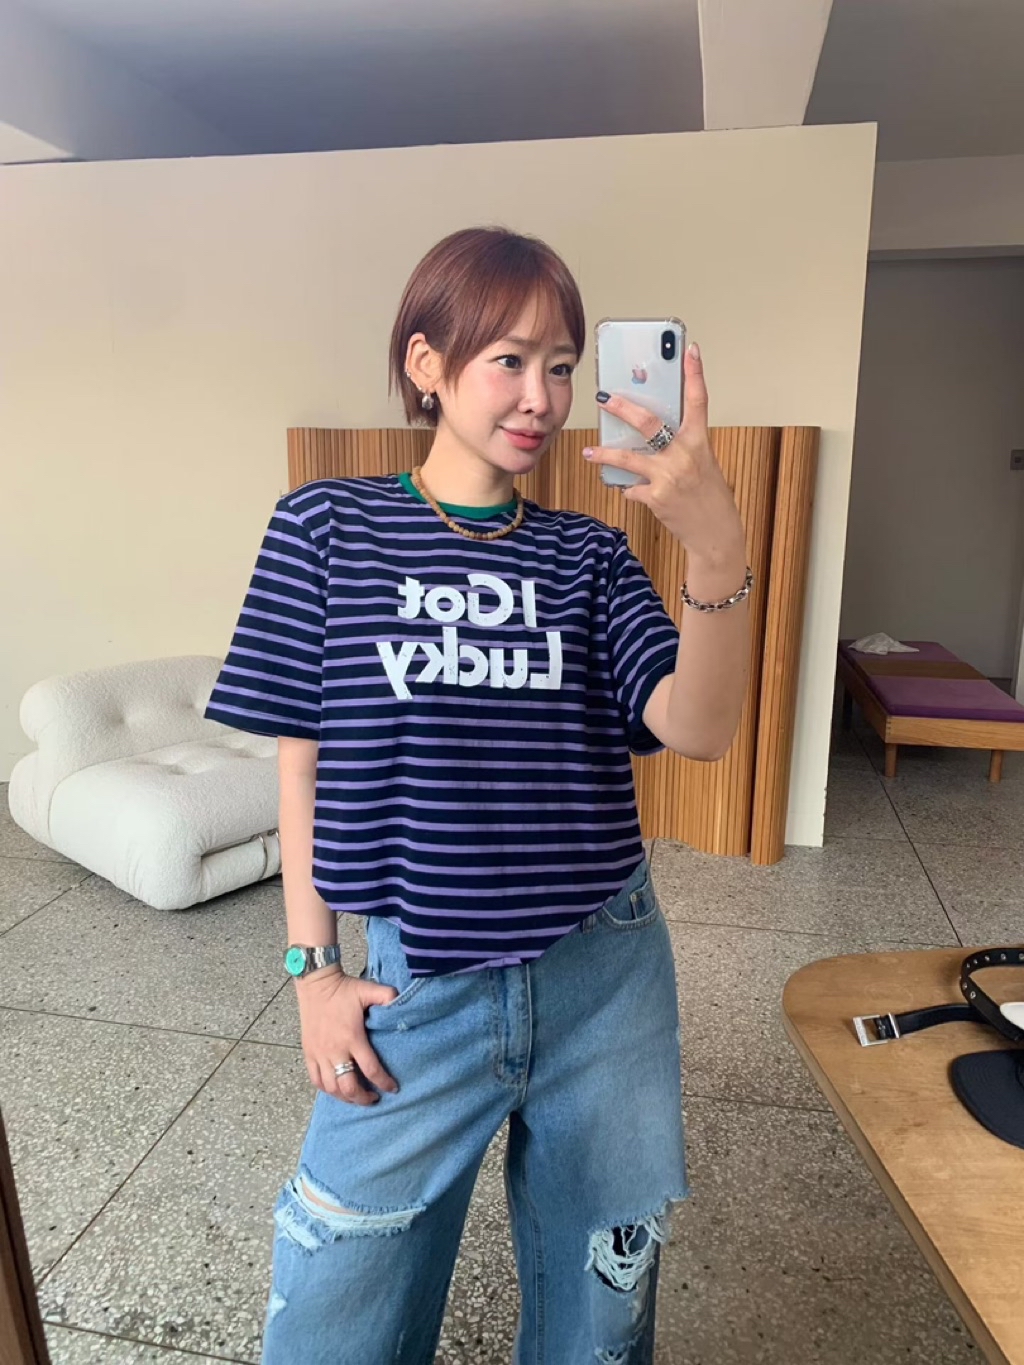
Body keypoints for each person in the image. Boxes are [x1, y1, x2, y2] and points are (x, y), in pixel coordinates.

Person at [204, 225, 751, 1364]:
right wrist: (313, 972)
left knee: (599, 1319)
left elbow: (698, 729)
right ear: (426, 364)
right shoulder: (325, 527)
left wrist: (714, 554)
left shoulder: (592, 558)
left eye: (562, 366)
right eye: (508, 360)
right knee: (336, 1313)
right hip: (416, 987)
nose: (540, 396)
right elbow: (300, 757)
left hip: (605, 975)